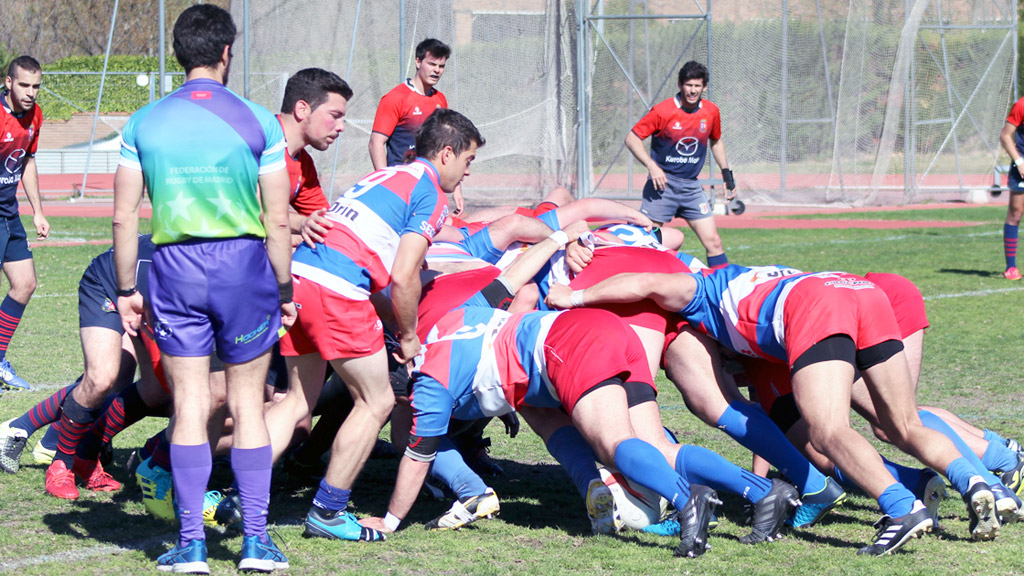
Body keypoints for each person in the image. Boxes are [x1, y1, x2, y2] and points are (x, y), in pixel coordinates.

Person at [548, 266, 1002, 554]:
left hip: (814, 304)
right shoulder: (749, 285)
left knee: (827, 430)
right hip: (856, 290)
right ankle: (977, 482)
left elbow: (649, 281)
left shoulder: (702, 290)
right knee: (902, 422)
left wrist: (575, 297)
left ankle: (903, 508)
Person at [112, 5, 295, 573]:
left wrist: (125, 289)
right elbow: (279, 218)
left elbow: (122, 219)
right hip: (243, 267)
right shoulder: (260, 120)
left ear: (178, 55)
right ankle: (256, 544)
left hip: (173, 266)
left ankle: (191, 545)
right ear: (225, 54)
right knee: (246, 402)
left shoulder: (143, 122)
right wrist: (284, 288)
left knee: (189, 403)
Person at [267, 108, 483, 543]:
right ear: (446, 154)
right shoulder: (431, 195)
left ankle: (236, 495)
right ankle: (328, 510)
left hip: (301, 278)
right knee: (377, 400)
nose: (466, 173)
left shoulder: (385, 177)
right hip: (337, 289)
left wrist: (398, 327)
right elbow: (404, 277)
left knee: (296, 402)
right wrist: (407, 336)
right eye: (468, 161)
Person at [624, 60, 731, 268]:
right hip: (662, 186)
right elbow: (632, 138)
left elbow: (716, 140)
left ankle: (725, 292)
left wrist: (727, 174)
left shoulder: (710, 112)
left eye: (697, 86)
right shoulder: (663, 111)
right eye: (689, 85)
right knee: (647, 244)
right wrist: (652, 167)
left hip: (691, 187)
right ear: (680, 85)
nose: (692, 90)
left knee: (714, 242)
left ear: (704, 87)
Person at [0, 55, 50, 391]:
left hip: (8, 211)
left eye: (36, 86)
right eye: (24, 85)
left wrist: (38, 210)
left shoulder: (35, 115)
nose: (31, 92)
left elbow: (27, 161)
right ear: (8, 83)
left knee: (25, 283)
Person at [369, 39, 465, 213]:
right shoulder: (396, 98)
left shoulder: (440, 100)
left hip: (429, 185)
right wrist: (384, 182)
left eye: (441, 66)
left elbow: (447, 145)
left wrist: (456, 187)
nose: (437, 70)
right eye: (432, 64)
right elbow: (376, 143)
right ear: (418, 62)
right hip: (401, 184)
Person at [276, 68, 352, 246]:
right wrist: (300, 225)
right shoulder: (256, 142)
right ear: (302, 109)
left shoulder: (303, 162)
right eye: (335, 116)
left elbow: (326, 220)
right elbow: (246, 206)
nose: (341, 127)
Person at [999, 95, 1024, 280]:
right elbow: (1005, 135)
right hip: (1022, 168)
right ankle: (1011, 267)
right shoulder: (1021, 105)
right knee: (1015, 213)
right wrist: (1019, 162)